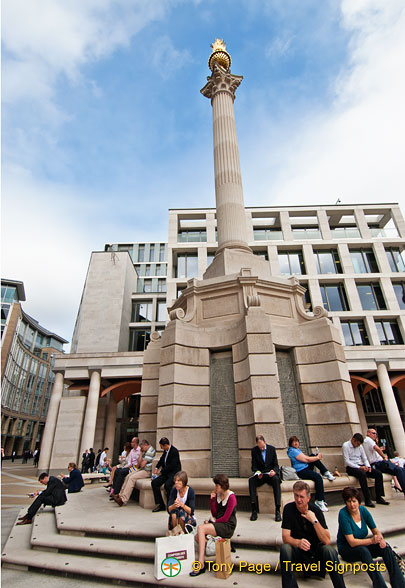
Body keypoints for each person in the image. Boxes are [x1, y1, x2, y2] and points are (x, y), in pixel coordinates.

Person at [280, 480, 346, 588]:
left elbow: (326, 540)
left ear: (308, 498)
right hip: (299, 552)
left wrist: (314, 521)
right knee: (285, 548)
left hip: (316, 552)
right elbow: (285, 537)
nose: (298, 499)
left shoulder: (316, 510)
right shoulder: (288, 509)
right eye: (296, 495)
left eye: (301, 496)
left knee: (329, 550)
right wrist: (298, 542)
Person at [337, 486, 405, 587]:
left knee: (385, 547)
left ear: (359, 501)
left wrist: (380, 539)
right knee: (363, 551)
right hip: (347, 549)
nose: (352, 505)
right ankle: (380, 585)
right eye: (348, 501)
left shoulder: (363, 511)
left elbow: (376, 530)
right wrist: (371, 540)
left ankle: (399, 584)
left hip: (362, 545)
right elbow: (351, 542)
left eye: (354, 501)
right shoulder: (343, 514)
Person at [190, 473, 237, 577]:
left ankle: (201, 563)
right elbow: (215, 513)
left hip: (228, 525)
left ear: (222, 485)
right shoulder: (218, 495)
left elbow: (225, 518)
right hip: (219, 522)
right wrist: (212, 500)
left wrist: (212, 523)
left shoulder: (231, 497)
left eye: (217, 485)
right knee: (197, 537)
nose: (215, 487)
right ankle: (225, 547)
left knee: (201, 529)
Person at [287, 436, 335, 512]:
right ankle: (319, 501)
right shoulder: (292, 451)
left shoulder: (297, 450)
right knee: (318, 477)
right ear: (291, 443)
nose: (296, 443)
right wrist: (318, 457)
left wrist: (316, 457)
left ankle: (325, 472)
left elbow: (308, 459)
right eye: (294, 442)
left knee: (313, 456)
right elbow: (306, 459)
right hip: (301, 471)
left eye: (297, 441)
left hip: (305, 467)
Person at [342, 433, 388, 507]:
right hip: (351, 467)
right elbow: (347, 461)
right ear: (353, 440)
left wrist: (368, 466)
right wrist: (359, 467)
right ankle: (367, 499)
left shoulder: (360, 446)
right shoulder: (346, 445)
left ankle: (379, 497)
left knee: (378, 474)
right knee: (362, 475)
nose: (358, 445)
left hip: (361, 466)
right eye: (357, 443)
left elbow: (364, 458)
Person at [112, 440, 156, 507]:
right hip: (142, 469)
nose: (141, 449)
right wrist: (141, 453)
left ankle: (123, 500)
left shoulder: (150, 451)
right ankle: (120, 495)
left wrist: (141, 460)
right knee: (128, 476)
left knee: (132, 478)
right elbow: (139, 463)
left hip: (147, 471)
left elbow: (142, 465)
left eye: (142, 448)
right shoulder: (145, 451)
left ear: (146, 445)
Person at [249, 434, 282, 521]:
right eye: (260, 448)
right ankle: (254, 510)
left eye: (263, 447)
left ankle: (278, 510)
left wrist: (274, 471)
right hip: (261, 475)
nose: (262, 449)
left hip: (270, 474)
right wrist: (257, 472)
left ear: (265, 442)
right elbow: (253, 466)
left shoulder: (272, 449)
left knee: (276, 480)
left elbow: (276, 465)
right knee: (251, 481)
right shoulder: (254, 451)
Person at [363, 428, 405, 497]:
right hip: (378, 464)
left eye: (376, 434)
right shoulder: (368, 440)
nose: (375, 435)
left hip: (380, 463)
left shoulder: (369, 442)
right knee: (399, 470)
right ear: (368, 433)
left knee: (401, 469)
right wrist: (384, 457)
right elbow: (377, 448)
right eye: (373, 433)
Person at [151, 437, 181, 512]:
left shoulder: (174, 451)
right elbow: (161, 460)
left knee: (167, 485)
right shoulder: (165, 451)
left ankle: (170, 505)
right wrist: (157, 467)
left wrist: (161, 471)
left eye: (161, 446)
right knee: (154, 483)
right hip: (166, 473)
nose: (161, 448)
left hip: (174, 473)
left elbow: (172, 466)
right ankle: (161, 505)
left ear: (165, 445)